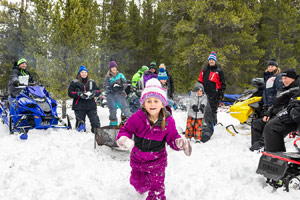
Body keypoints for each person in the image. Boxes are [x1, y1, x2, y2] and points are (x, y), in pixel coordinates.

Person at [116, 78, 192, 200]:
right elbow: (126, 130)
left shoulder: (168, 121)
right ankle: (144, 183)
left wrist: (179, 143)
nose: (152, 104)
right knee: (138, 184)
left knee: (157, 190)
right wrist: (124, 138)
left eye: (156, 101)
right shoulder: (137, 118)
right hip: (138, 160)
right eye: (149, 101)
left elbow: (173, 138)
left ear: (162, 103)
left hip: (157, 161)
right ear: (144, 103)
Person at [250, 58, 284, 151]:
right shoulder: (268, 78)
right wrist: (260, 105)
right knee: (256, 124)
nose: (270, 68)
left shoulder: (278, 77)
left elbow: (279, 93)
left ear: (276, 67)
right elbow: (266, 94)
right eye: (269, 66)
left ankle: (261, 146)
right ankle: (256, 146)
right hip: (266, 107)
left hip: (274, 108)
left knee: (267, 126)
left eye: (272, 66)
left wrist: (273, 107)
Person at [263, 69, 300, 152]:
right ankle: (274, 158)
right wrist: (268, 112)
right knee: (271, 126)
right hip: (291, 113)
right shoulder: (285, 88)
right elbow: (276, 103)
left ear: (293, 78)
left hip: (295, 115)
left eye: (285, 78)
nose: (283, 81)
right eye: (282, 78)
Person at [68, 65, 101, 132]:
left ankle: (96, 135)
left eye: (85, 72)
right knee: (80, 125)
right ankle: (80, 138)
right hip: (79, 106)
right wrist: (79, 94)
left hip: (91, 105)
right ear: (79, 73)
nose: (84, 74)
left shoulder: (91, 82)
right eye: (82, 72)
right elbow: (70, 92)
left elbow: (98, 91)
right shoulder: (75, 82)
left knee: (96, 123)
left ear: (87, 73)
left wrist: (93, 93)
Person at [198, 51, 226, 125]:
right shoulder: (204, 70)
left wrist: (221, 93)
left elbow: (222, 83)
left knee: (213, 110)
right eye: (210, 60)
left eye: (212, 60)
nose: (211, 61)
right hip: (204, 93)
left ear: (215, 61)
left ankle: (213, 124)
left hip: (214, 94)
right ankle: (205, 124)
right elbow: (199, 81)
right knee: (203, 109)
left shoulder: (218, 71)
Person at [104, 61, 132, 126]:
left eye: (115, 67)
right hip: (111, 96)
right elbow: (106, 86)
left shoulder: (120, 75)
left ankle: (132, 125)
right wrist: (112, 87)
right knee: (112, 112)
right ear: (110, 68)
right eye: (112, 67)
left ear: (116, 68)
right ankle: (113, 127)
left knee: (126, 110)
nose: (114, 69)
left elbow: (125, 83)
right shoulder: (107, 77)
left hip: (120, 95)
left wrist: (120, 86)